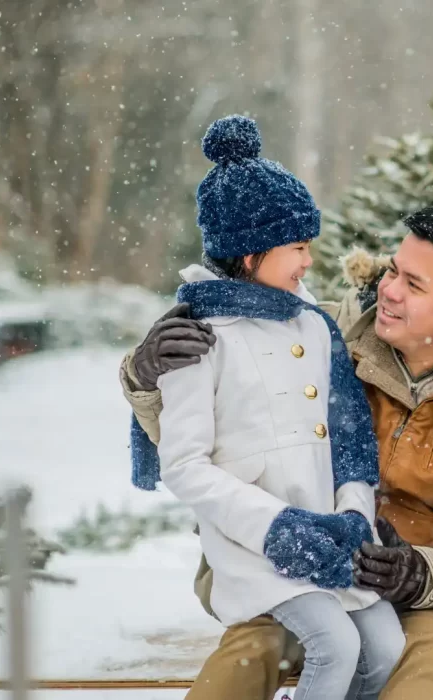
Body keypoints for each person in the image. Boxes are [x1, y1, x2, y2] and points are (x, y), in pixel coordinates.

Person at [122, 202, 433, 700]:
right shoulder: (315, 333)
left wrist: (424, 574)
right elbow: (208, 447)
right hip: (289, 568)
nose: (389, 290)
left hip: (414, 593)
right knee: (258, 645)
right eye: (392, 271)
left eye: (414, 284)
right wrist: (146, 377)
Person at [131, 114, 405, 700]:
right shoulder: (200, 335)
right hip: (255, 544)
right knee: (336, 645)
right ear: (250, 252)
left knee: (385, 646)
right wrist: (278, 528)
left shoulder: (313, 323)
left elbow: (351, 436)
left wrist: (354, 516)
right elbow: (184, 463)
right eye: (298, 248)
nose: (309, 262)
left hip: (333, 534)